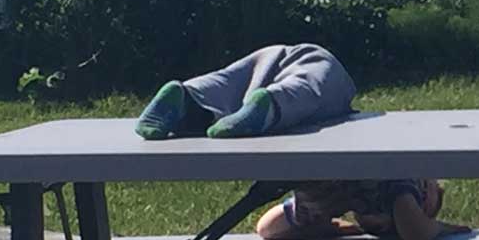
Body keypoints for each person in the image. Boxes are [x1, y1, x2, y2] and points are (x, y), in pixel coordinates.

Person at [133, 43, 357, 140]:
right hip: (327, 71)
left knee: (229, 83)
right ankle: (272, 105)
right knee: (303, 92)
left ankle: (188, 96)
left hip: (269, 59)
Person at [254, 177, 466, 240]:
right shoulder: (407, 180)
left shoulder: (335, 200)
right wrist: (439, 228)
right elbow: (416, 233)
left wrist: (324, 227)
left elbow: (266, 228)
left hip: (324, 174)